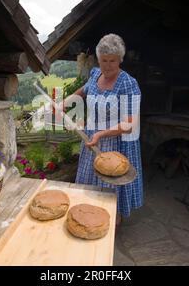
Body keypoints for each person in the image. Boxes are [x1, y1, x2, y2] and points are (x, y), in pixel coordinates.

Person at [61, 33, 143, 226]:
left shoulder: (128, 84)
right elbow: (84, 90)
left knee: (110, 187)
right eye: (103, 60)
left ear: (120, 59)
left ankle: (110, 221)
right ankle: (86, 216)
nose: (107, 65)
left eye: (112, 61)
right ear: (98, 59)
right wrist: (66, 102)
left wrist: (101, 134)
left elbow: (129, 123)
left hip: (116, 143)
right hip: (92, 139)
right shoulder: (95, 73)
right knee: (88, 181)